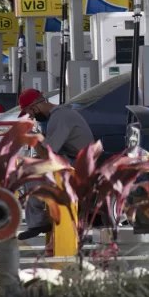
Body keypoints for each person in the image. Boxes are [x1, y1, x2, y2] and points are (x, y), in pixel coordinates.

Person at [16, 87, 93, 240]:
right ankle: (41, 219)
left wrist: (33, 138)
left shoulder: (60, 118)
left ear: (35, 106)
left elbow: (48, 154)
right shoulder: (57, 116)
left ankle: (39, 222)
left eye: (29, 112)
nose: (30, 116)